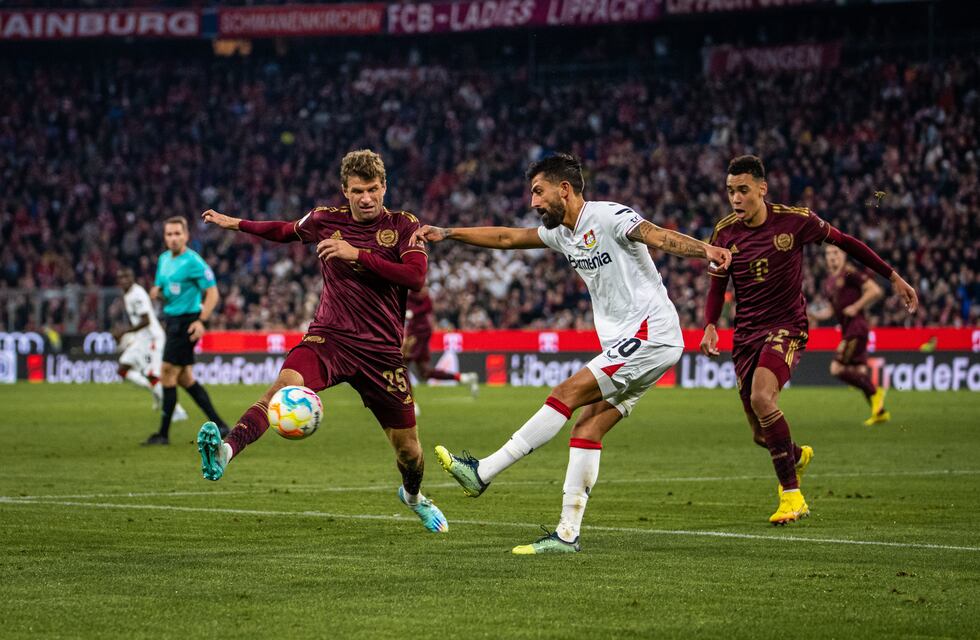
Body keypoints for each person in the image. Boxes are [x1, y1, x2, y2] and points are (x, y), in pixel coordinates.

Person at [418, 153, 731, 554]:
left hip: (651, 333)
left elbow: (655, 234)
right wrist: (449, 233)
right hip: (636, 342)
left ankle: (483, 471)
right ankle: (567, 534)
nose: (533, 202)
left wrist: (705, 249)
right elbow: (508, 238)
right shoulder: (562, 234)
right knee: (587, 429)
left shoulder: (607, 216)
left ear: (564, 189)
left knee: (566, 392)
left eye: (538, 191)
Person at [196, 149, 447, 534]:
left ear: (385, 187)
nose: (367, 198)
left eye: (374, 189)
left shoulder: (403, 225)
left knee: (410, 453)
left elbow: (414, 278)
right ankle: (225, 452)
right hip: (328, 339)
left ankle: (413, 498)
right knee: (280, 388)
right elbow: (283, 230)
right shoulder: (324, 220)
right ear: (344, 191)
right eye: (358, 190)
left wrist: (357, 254)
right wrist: (237, 224)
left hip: (381, 354)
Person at [699, 155, 917, 525]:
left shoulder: (796, 221)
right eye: (730, 191)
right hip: (746, 335)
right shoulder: (724, 233)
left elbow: (847, 243)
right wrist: (709, 324)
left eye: (743, 190)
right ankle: (796, 455)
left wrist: (893, 276)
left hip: (787, 327)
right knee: (759, 433)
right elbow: (718, 286)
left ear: (762, 189)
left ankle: (792, 496)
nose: (735, 198)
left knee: (762, 397)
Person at [146, 217, 230, 445]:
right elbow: (167, 293)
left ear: (186, 236)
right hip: (171, 320)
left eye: (177, 234)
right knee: (184, 378)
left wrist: (201, 321)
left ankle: (163, 434)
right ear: (165, 237)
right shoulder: (163, 260)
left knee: (167, 372)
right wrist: (158, 293)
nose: (173, 238)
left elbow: (212, 294)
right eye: (169, 234)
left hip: (187, 322)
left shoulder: (194, 262)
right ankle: (220, 425)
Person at [809, 245, 889, 425]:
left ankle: (876, 393)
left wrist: (857, 306)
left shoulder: (849, 273)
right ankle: (879, 412)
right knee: (858, 371)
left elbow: (875, 291)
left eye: (836, 253)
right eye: (828, 254)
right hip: (848, 329)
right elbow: (831, 310)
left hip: (856, 328)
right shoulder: (829, 281)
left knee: (836, 368)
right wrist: (813, 315)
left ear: (844, 255)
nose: (832, 257)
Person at [114, 267, 188, 422]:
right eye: (121, 278)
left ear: (132, 278)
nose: (124, 280)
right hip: (141, 339)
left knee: (153, 375)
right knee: (122, 370)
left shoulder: (137, 294)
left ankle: (177, 410)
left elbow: (146, 321)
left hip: (152, 339)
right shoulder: (127, 295)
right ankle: (156, 392)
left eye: (127, 277)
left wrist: (124, 331)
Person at [403, 286, 480, 408]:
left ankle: (411, 403)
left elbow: (426, 308)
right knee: (425, 372)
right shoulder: (411, 295)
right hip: (419, 333)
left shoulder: (418, 296)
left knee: (402, 364)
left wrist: (412, 312)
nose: (425, 290)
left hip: (419, 334)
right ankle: (464, 377)